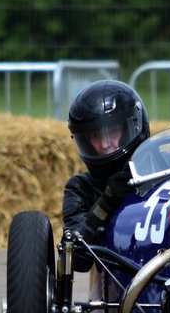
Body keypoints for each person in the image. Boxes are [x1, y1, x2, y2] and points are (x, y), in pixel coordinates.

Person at [62, 80, 150, 271]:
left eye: (113, 131)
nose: (105, 144)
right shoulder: (81, 188)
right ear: (85, 140)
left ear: (133, 125)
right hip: (117, 281)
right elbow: (78, 260)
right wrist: (106, 202)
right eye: (96, 135)